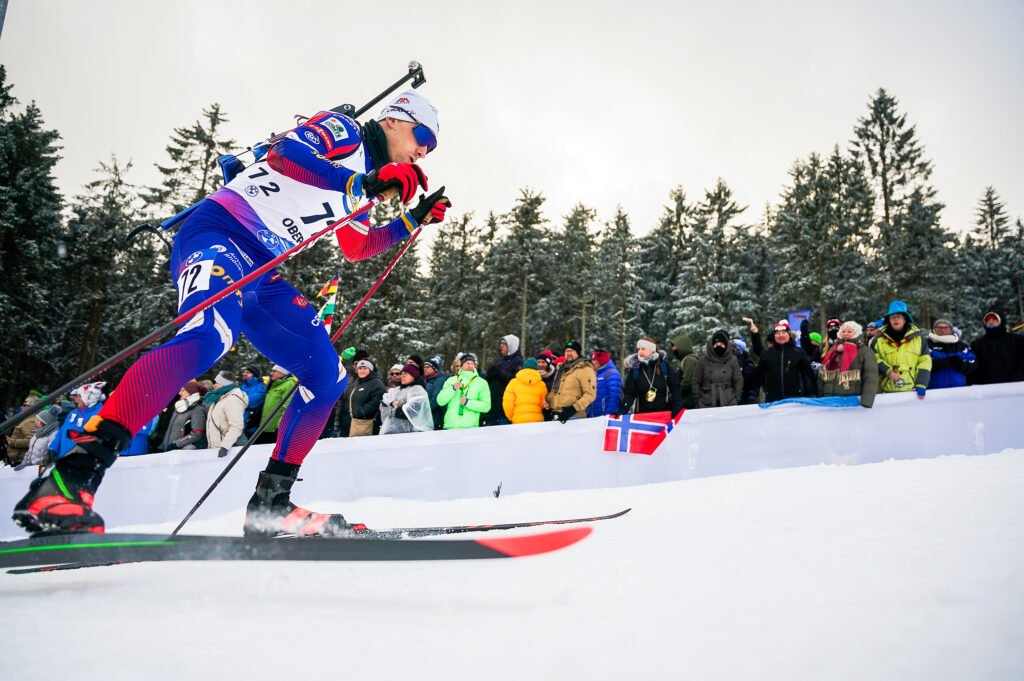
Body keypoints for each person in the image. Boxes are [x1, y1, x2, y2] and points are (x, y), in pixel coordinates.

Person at [13, 90, 451, 537]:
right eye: (422, 136)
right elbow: (286, 153)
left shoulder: (369, 181)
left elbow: (356, 247)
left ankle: (270, 505)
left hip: (262, 270)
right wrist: (357, 183)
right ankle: (69, 480)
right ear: (394, 120)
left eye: (431, 147)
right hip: (218, 234)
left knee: (327, 376)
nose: (423, 150)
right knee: (210, 335)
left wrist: (410, 220)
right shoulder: (345, 134)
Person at [874, 300, 931, 398]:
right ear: (889, 320)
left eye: (898, 316)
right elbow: (873, 359)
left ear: (905, 319)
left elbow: (925, 362)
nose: (895, 319)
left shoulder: (919, 339)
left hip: (912, 392)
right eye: (892, 317)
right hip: (885, 393)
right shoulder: (878, 340)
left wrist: (921, 384)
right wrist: (887, 370)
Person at [751, 321, 817, 403]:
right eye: (777, 333)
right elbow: (758, 376)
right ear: (774, 336)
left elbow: (809, 376)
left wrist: (811, 394)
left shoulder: (799, 352)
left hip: (795, 400)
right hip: (773, 400)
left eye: (783, 332)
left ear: (789, 334)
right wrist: (753, 393)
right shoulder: (767, 354)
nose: (781, 335)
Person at [817, 321, 878, 407]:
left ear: (857, 333)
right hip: (829, 401)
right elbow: (822, 375)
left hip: (852, 403)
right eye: (843, 331)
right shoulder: (832, 350)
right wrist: (821, 397)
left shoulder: (865, 352)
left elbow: (871, 378)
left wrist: (866, 402)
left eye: (849, 332)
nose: (845, 334)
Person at [620, 337, 682, 416]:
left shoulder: (664, 367)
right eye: (638, 349)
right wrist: (622, 409)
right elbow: (629, 394)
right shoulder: (635, 370)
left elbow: (675, 387)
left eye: (643, 348)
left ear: (652, 350)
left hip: (664, 414)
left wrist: (677, 406)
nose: (640, 351)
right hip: (643, 416)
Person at [47, 382, 106, 461]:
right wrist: (53, 449)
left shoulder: (99, 415)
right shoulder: (73, 413)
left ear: (90, 398)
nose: (76, 399)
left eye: (80, 396)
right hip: (63, 460)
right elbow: (61, 432)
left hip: (80, 463)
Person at [546, 341, 597, 423]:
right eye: (566, 351)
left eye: (571, 351)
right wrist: (547, 401)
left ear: (577, 353)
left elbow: (590, 394)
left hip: (574, 416)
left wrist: (573, 408)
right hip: (557, 415)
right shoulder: (561, 369)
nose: (568, 353)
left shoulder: (585, 369)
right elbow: (555, 391)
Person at [436, 353, 491, 429]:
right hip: (450, 426)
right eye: (467, 363)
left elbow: (486, 406)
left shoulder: (481, 383)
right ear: (461, 365)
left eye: (472, 363)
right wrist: (453, 389)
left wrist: (468, 403)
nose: (470, 365)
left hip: (470, 428)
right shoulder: (451, 380)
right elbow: (440, 401)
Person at [969, 311, 1024, 385]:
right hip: (988, 388)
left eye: (994, 319)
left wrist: (1017, 377)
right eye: (988, 320)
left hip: (1014, 385)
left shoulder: (1017, 340)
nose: (990, 321)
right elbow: (974, 368)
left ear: (1001, 321)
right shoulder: (977, 344)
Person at [692, 330, 743, 408]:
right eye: (716, 344)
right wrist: (698, 399)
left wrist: (736, 398)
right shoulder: (702, 360)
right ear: (711, 345)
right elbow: (696, 381)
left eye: (722, 344)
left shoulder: (732, 360)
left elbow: (738, 379)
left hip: (728, 401)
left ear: (726, 345)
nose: (719, 346)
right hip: (706, 402)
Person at [379, 363, 434, 434]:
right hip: (392, 431)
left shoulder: (418, 390)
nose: (402, 376)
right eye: (402, 373)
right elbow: (383, 404)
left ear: (414, 376)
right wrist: (391, 406)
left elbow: (411, 412)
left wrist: (391, 410)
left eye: (406, 373)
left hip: (413, 433)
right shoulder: (396, 390)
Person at [204, 370, 248, 457]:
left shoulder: (232, 400)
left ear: (225, 383)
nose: (214, 385)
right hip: (216, 447)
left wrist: (225, 447)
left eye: (217, 382)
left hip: (228, 450)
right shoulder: (219, 397)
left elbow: (236, 426)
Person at [159, 380, 210, 451]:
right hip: (168, 449)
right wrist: (162, 446)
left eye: (183, 390)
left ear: (190, 393)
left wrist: (177, 444)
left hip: (182, 451)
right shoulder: (179, 407)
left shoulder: (197, 410)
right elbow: (170, 430)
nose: (179, 393)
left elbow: (197, 433)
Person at [485, 335, 523, 426]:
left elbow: (515, 380)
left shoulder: (518, 361)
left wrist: (499, 372)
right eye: (501, 344)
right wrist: (489, 376)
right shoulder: (500, 360)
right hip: (494, 404)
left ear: (511, 346)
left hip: (505, 406)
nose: (501, 346)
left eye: (504, 344)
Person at [254, 365, 298, 445]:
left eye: (274, 371)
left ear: (283, 373)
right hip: (264, 426)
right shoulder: (274, 384)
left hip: (274, 429)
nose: (271, 373)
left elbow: (287, 407)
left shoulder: (289, 384)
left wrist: (280, 427)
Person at [927, 319, 975, 389]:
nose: (943, 330)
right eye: (939, 328)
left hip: (960, 390)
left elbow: (973, 363)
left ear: (951, 330)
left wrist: (960, 364)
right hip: (935, 391)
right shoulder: (927, 345)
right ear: (934, 330)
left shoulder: (962, 346)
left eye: (946, 328)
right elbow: (924, 364)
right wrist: (946, 362)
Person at [343, 360, 386, 437]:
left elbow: (376, 401)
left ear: (370, 369)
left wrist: (361, 412)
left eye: (365, 368)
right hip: (350, 423)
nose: (362, 371)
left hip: (365, 424)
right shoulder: (356, 382)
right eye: (360, 368)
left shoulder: (376, 383)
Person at [503, 357, 548, 424]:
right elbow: (543, 404)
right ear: (536, 368)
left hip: (518, 421)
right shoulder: (542, 385)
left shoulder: (513, 383)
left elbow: (507, 403)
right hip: (537, 421)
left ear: (523, 367)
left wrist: (511, 417)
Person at [587, 349, 622, 418]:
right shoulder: (597, 374)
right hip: (594, 417)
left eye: (595, 360)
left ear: (601, 361)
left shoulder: (612, 373)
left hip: (604, 418)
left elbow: (614, 396)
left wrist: (609, 415)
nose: (593, 363)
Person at [5, 395, 39, 467]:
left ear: (31, 408)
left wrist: (11, 441)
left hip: (19, 460)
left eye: (25, 404)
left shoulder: (31, 421)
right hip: (17, 458)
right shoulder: (27, 419)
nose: (22, 407)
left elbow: (30, 441)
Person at [669, 334, 698, 410]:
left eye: (675, 346)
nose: (673, 349)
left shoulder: (689, 360)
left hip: (688, 402)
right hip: (685, 401)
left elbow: (688, 381)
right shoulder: (684, 361)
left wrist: (675, 392)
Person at [238, 365, 268, 439]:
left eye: (247, 372)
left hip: (250, 424)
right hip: (238, 420)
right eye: (244, 372)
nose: (244, 374)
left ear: (254, 374)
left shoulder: (260, 387)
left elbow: (249, 402)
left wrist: (237, 400)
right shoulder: (242, 386)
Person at [422, 355, 447, 430]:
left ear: (435, 369)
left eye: (428, 367)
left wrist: (422, 410)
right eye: (424, 367)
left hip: (436, 419)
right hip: (429, 418)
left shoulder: (439, 380)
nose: (425, 369)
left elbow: (435, 400)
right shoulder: (428, 381)